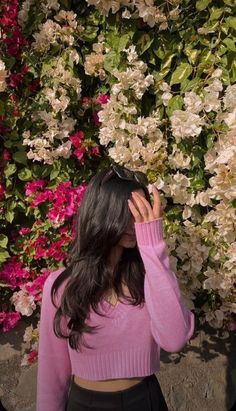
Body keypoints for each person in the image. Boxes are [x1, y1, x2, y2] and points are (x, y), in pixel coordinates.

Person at [36, 164, 195, 411]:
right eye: (130, 214)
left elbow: (174, 340)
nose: (137, 224)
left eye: (142, 215)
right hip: (84, 404)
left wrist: (153, 246)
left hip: (145, 400)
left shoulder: (151, 277)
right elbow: (51, 372)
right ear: (104, 214)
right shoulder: (63, 286)